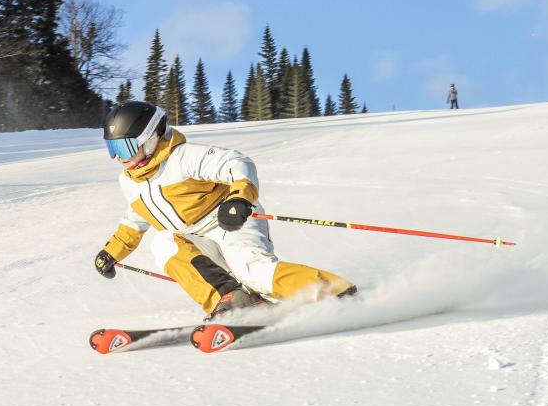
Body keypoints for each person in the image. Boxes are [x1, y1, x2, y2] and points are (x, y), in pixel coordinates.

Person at [93, 100, 356, 319]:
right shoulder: (130, 181)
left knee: (252, 272)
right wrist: (112, 252)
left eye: (125, 146)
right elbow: (136, 217)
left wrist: (239, 199)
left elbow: (236, 163)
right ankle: (233, 300)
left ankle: (338, 292)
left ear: (150, 139)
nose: (119, 157)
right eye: (112, 149)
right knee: (162, 243)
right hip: (194, 239)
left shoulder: (182, 157)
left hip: (229, 222)